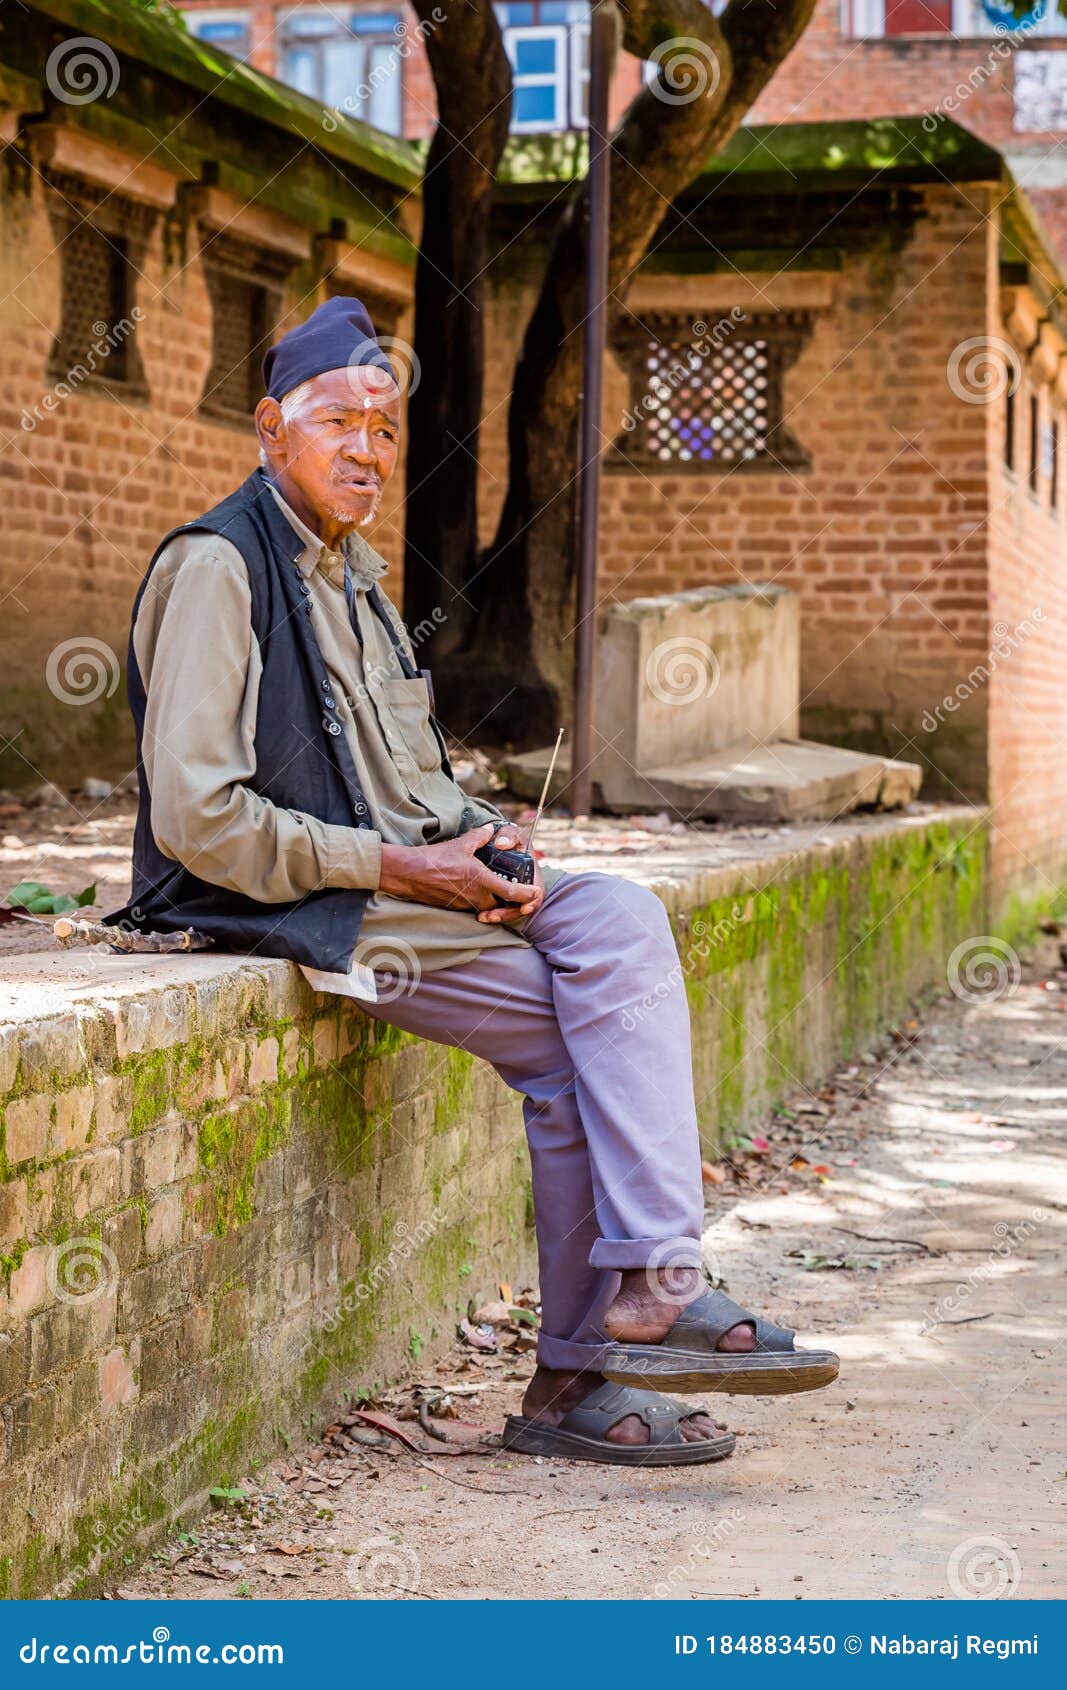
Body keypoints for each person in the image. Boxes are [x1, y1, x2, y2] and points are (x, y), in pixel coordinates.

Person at [111, 297, 839, 1467]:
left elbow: (404, 780)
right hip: (294, 906)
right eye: (336, 422)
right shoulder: (219, 569)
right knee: (566, 1037)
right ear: (268, 428)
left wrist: (479, 841)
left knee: (618, 915)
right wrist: (409, 868)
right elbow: (199, 821)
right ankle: (578, 1366)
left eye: (385, 431)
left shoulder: (354, 578)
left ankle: (647, 1284)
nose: (365, 449)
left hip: (408, 885)